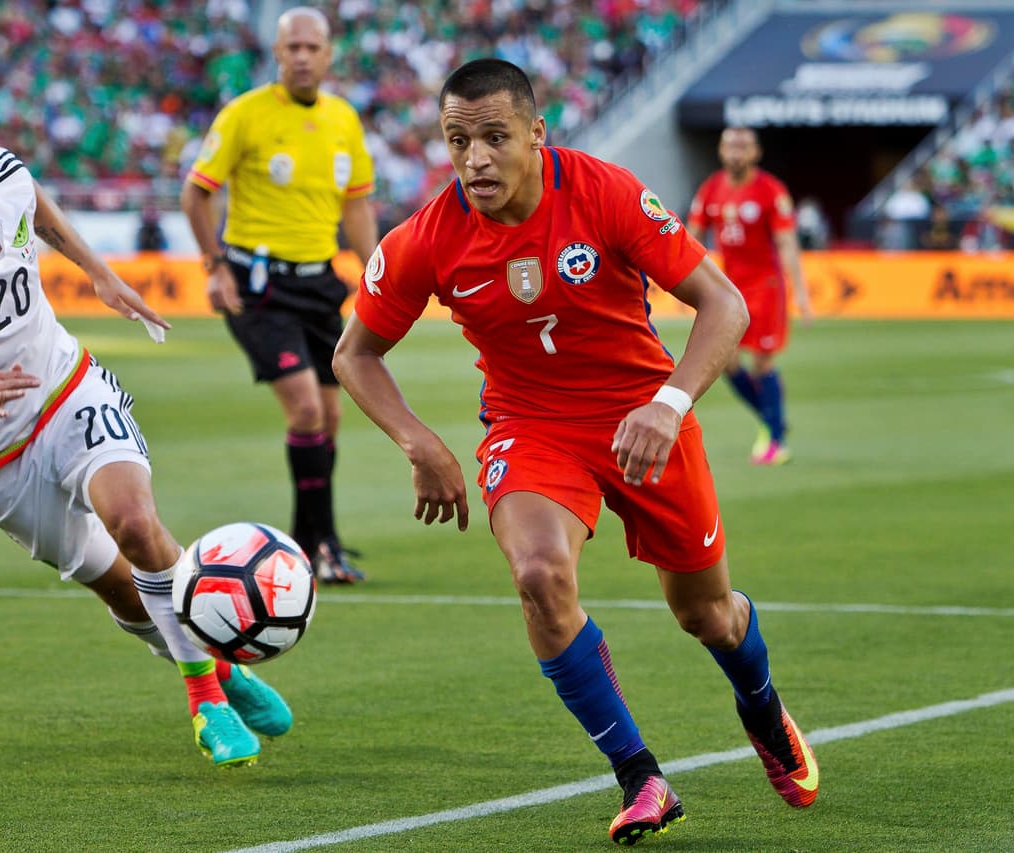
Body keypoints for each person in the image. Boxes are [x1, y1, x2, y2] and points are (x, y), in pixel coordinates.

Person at [333, 60, 818, 846]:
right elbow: (355, 354)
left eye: (494, 137)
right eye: (458, 141)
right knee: (538, 575)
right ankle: (640, 774)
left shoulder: (605, 192)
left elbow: (721, 304)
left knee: (707, 614)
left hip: (645, 418)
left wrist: (668, 403)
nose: (475, 159)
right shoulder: (426, 237)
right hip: (532, 427)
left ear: (536, 131)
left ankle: (763, 709)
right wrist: (418, 441)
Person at [0, 102, 293, 770]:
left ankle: (206, 698)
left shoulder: (2, 173)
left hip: (66, 388)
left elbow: (35, 200)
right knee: (120, 585)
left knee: (135, 521)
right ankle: (219, 664)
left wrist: (99, 272)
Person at [180, 5, 379, 584]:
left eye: (311, 48)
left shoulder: (344, 119)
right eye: (291, 47)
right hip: (257, 285)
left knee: (333, 418)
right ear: (276, 52)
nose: (301, 56)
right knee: (308, 410)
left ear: (328, 54)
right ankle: (312, 549)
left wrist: (374, 270)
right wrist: (215, 267)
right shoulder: (245, 114)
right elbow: (196, 194)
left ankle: (319, 540)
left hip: (320, 283)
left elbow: (358, 204)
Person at [687, 127, 812, 465]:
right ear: (720, 150)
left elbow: (786, 242)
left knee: (761, 361)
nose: (736, 152)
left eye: (743, 146)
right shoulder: (711, 189)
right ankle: (773, 421)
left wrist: (801, 293)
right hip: (730, 286)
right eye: (730, 145)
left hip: (766, 287)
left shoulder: (771, 191)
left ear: (756, 153)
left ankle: (775, 439)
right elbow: (691, 237)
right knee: (726, 362)